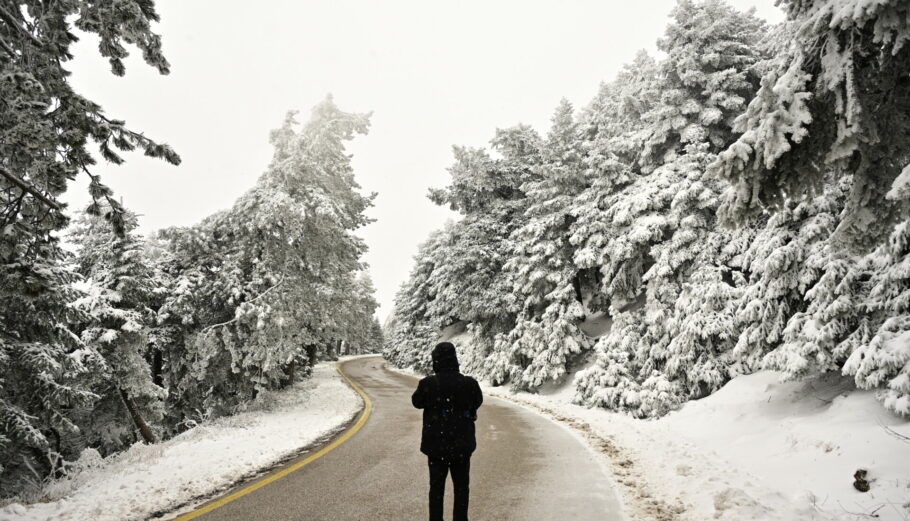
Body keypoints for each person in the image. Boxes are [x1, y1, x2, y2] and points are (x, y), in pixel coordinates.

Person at [411, 342, 483, 521]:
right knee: (461, 489)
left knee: (436, 489)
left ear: (436, 360)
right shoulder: (470, 384)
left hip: (436, 447)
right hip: (462, 446)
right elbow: (477, 401)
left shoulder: (428, 384)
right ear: (455, 359)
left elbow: (416, 402)